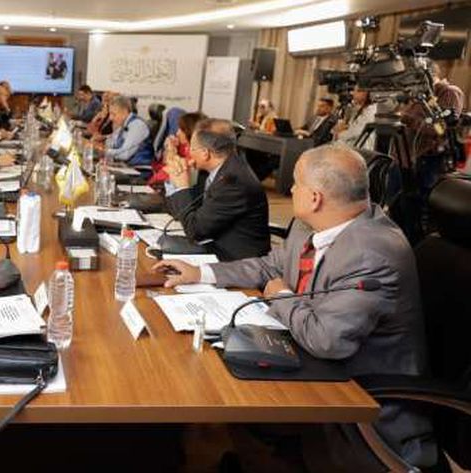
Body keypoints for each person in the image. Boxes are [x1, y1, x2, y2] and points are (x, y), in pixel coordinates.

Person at [153, 144, 435, 470]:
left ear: (314, 198)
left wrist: (282, 296)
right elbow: (271, 265)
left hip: (357, 400)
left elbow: (327, 340)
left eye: (296, 183)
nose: (290, 190)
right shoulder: (312, 224)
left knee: (219, 389)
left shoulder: (372, 253)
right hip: (307, 359)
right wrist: (201, 273)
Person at [162, 118, 270, 261]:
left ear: (205, 153)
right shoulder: (217, 169)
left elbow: (195, 231)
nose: (189, 153)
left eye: (191, 148)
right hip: (215, 243)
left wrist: (182, 187)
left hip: (235, 259)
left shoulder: (233, 182)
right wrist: (177, 182)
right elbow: (187, 211)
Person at [402, 62, 465, 192]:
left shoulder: (449, 92)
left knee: (420, 201)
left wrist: (410, 121)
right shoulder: (422, 95)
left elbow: (441, 129)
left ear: (427, 76)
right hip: (407, 160)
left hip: (427, 162)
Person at [94, 95, 154, 166]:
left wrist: (104, 151)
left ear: (124, 112)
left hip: (137, 168)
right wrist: (99, 147)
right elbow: (111, 143)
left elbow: (125, 154)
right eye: (110, 114)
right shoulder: (123, 124)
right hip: (125, 165)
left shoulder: (137, 125)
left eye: (114, 114)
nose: (110, 118)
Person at [149, 111, 205, 186]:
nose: (177, 133)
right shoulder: (182, 147)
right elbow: (159, 168)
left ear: (189, 132)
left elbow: (167, 174)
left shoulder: (193, 155)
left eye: (181, 130)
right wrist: (168, 150)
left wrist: (171, 153)